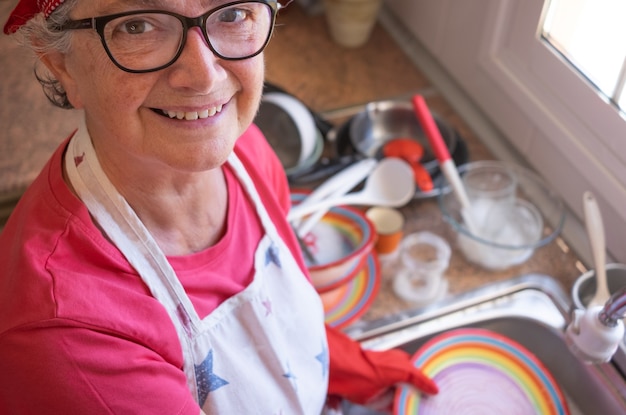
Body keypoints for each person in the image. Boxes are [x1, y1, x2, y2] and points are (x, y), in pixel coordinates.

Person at [0, 0, 437, 413]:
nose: (203, 76)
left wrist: (351, 365)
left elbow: (273, 335)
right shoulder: (66, 336)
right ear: (62, 64)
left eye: (232, 12)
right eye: (137, 25)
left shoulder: (247, 152)